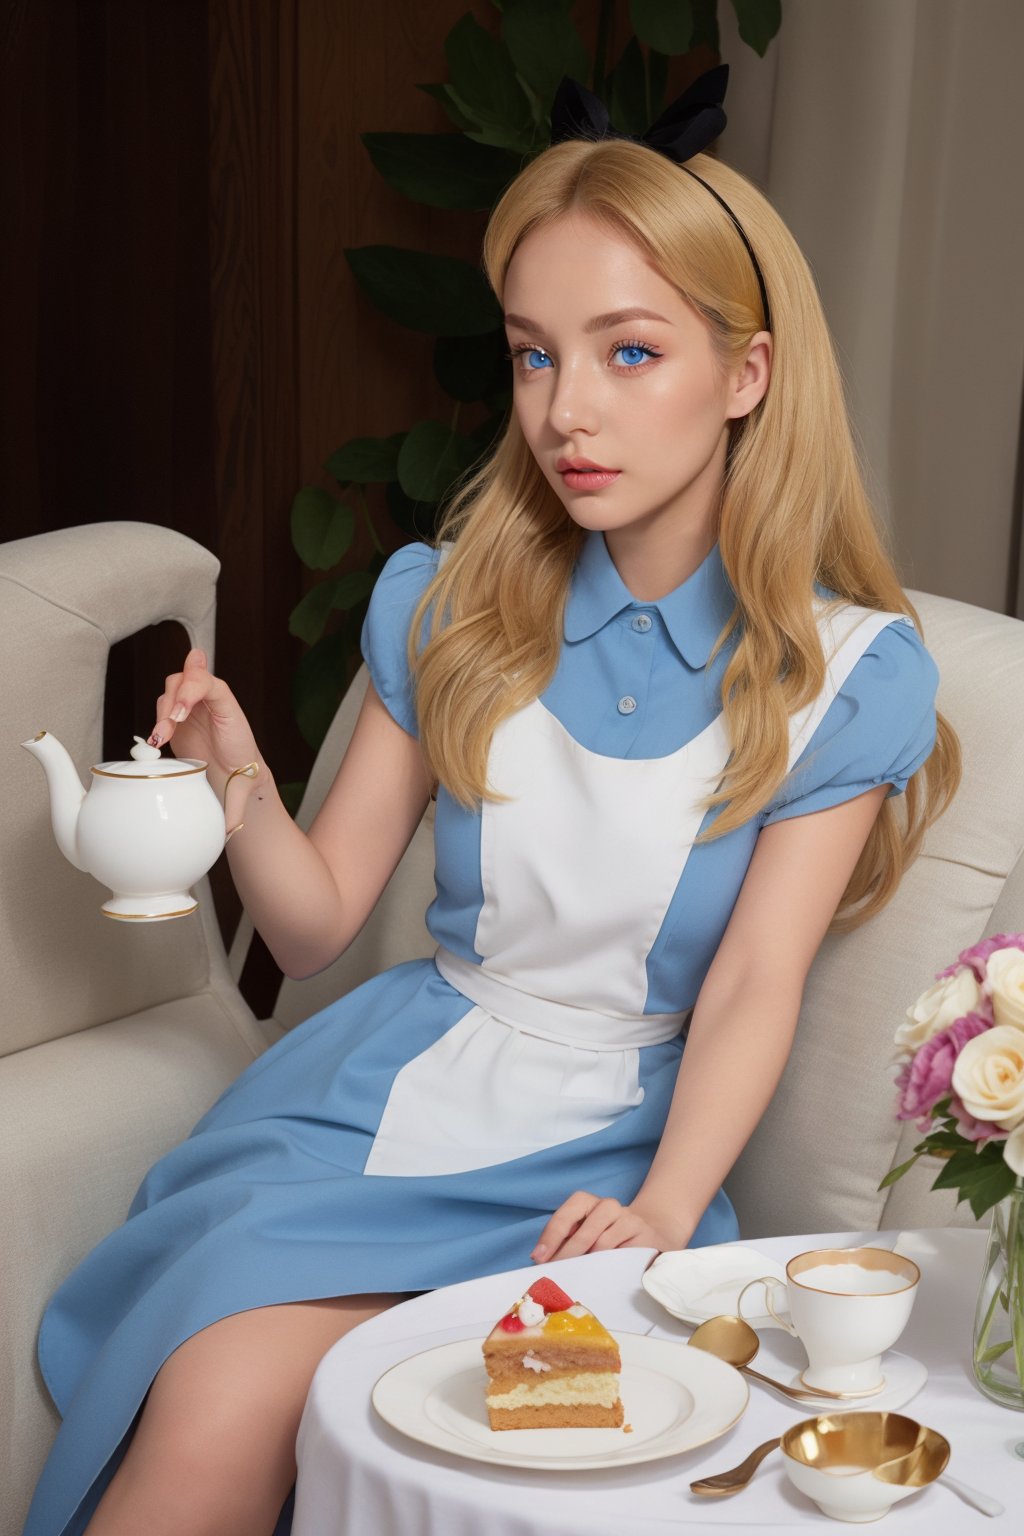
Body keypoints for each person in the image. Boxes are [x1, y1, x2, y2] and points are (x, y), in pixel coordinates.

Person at [25, 68, 960, 1536]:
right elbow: (319, 925)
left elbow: (753, 988)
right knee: (217, 1401)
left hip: (606, 1163)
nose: (567, 411)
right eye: (533, 358)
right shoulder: (448, 606)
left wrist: (661, 1211)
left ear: (748, 373)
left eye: (630, 353)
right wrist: (240, 775)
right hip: (381, 1104)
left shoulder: (842, 675)